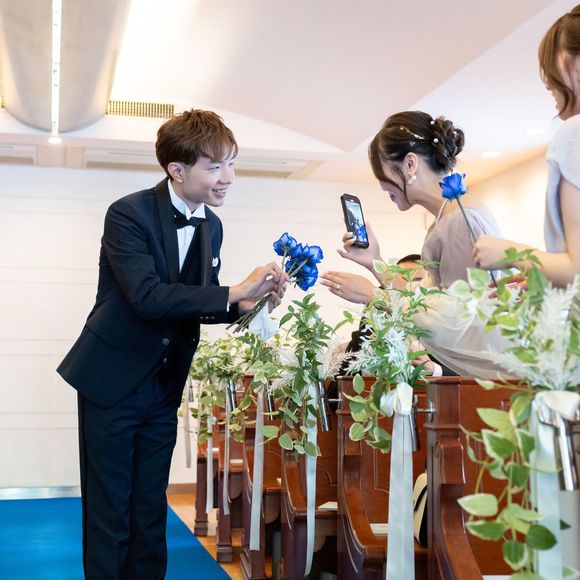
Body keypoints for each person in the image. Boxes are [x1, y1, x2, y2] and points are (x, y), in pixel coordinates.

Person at [57, 109, 288, 579]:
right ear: (176, 170)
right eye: (215, 167)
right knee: (110, 509)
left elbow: (197, 301)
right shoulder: (128, 213)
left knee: (149, 508)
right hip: (111, 382)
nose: (228, 178)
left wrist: (247, 304)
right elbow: (147, 297)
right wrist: (233, 291)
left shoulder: (212, 226)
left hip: (163, 387)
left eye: (231, 164)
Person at [320, 111, 506, 377]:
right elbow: (427, 300)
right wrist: (375, 261)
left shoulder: (458, 221)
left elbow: (455, 324)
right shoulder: (447, 217)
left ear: (410, 164)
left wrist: (373, 295)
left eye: (382, 172)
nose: (382, 186)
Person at [473, 5, 580, 288]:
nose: (549, 85)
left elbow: (578, 272)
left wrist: (512, 253)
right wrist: (541, 275)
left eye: (552, 70)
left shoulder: (574, 133)